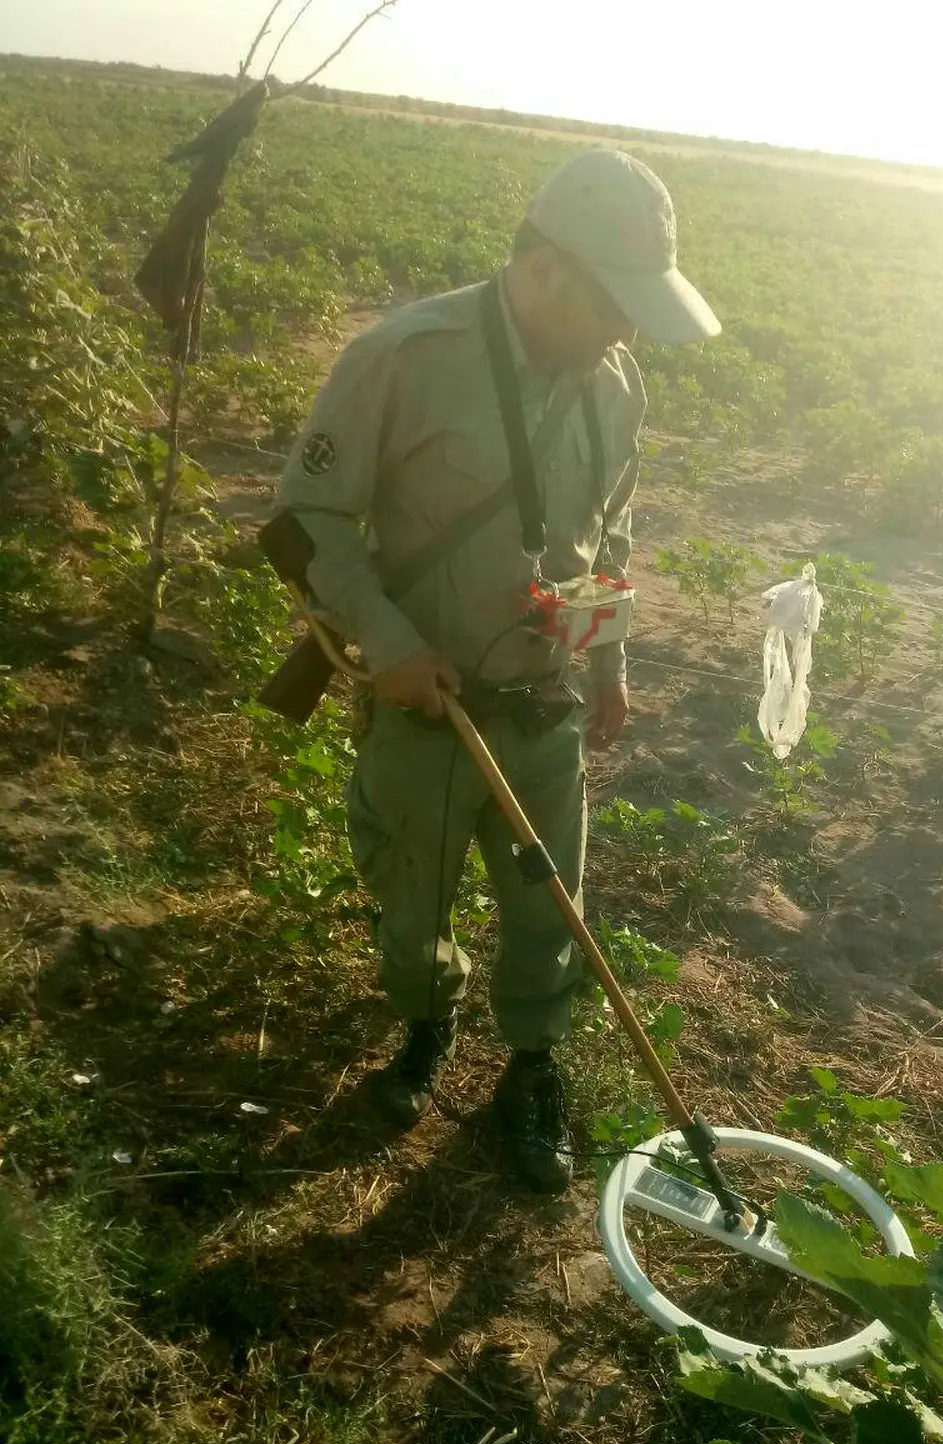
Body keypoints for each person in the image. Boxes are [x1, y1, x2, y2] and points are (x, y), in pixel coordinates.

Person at [272, 148, 720, 1194]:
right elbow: (306, 522)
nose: (626, 329)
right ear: (548, 267)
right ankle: (424, 1030)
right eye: (616, 301)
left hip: (542, 706)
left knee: (548, 904)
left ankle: (531, 1063)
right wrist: (388, 644)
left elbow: (607, 535)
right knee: (414, 900)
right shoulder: (405, 356)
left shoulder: (618, 383)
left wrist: (608, 656)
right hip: (431, 710)